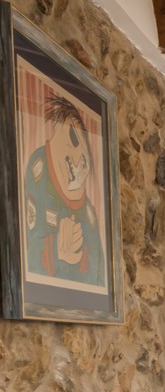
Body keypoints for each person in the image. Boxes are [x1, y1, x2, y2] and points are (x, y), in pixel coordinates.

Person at [25, 92, 104, 287]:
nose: (77, 159)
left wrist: (79, 253)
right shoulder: (39, 171)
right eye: (72, 144)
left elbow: (99, 270)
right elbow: (27, 246)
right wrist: (55, 249)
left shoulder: (88, 212)